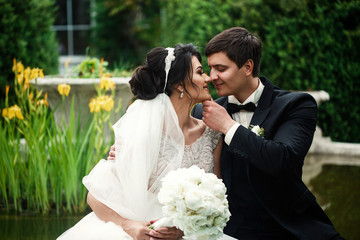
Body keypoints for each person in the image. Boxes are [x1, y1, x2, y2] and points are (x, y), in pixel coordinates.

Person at [57, 43, 235, 240]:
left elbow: (216, 198)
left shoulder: (211, 133)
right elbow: (95, 196)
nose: (208, 78)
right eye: (200, 72)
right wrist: (128, 226)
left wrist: (184, 228)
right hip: (136, 230)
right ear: (179, 84)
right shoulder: (144, 130)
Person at [191, 27, 343, 239]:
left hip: (287, 226)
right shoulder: (203, 111)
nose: (211, 76)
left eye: (220, 68)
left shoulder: (297, 105)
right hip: (228, 228)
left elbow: (282, 159)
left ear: (247, 67)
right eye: (210, 68)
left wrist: (228, 126)